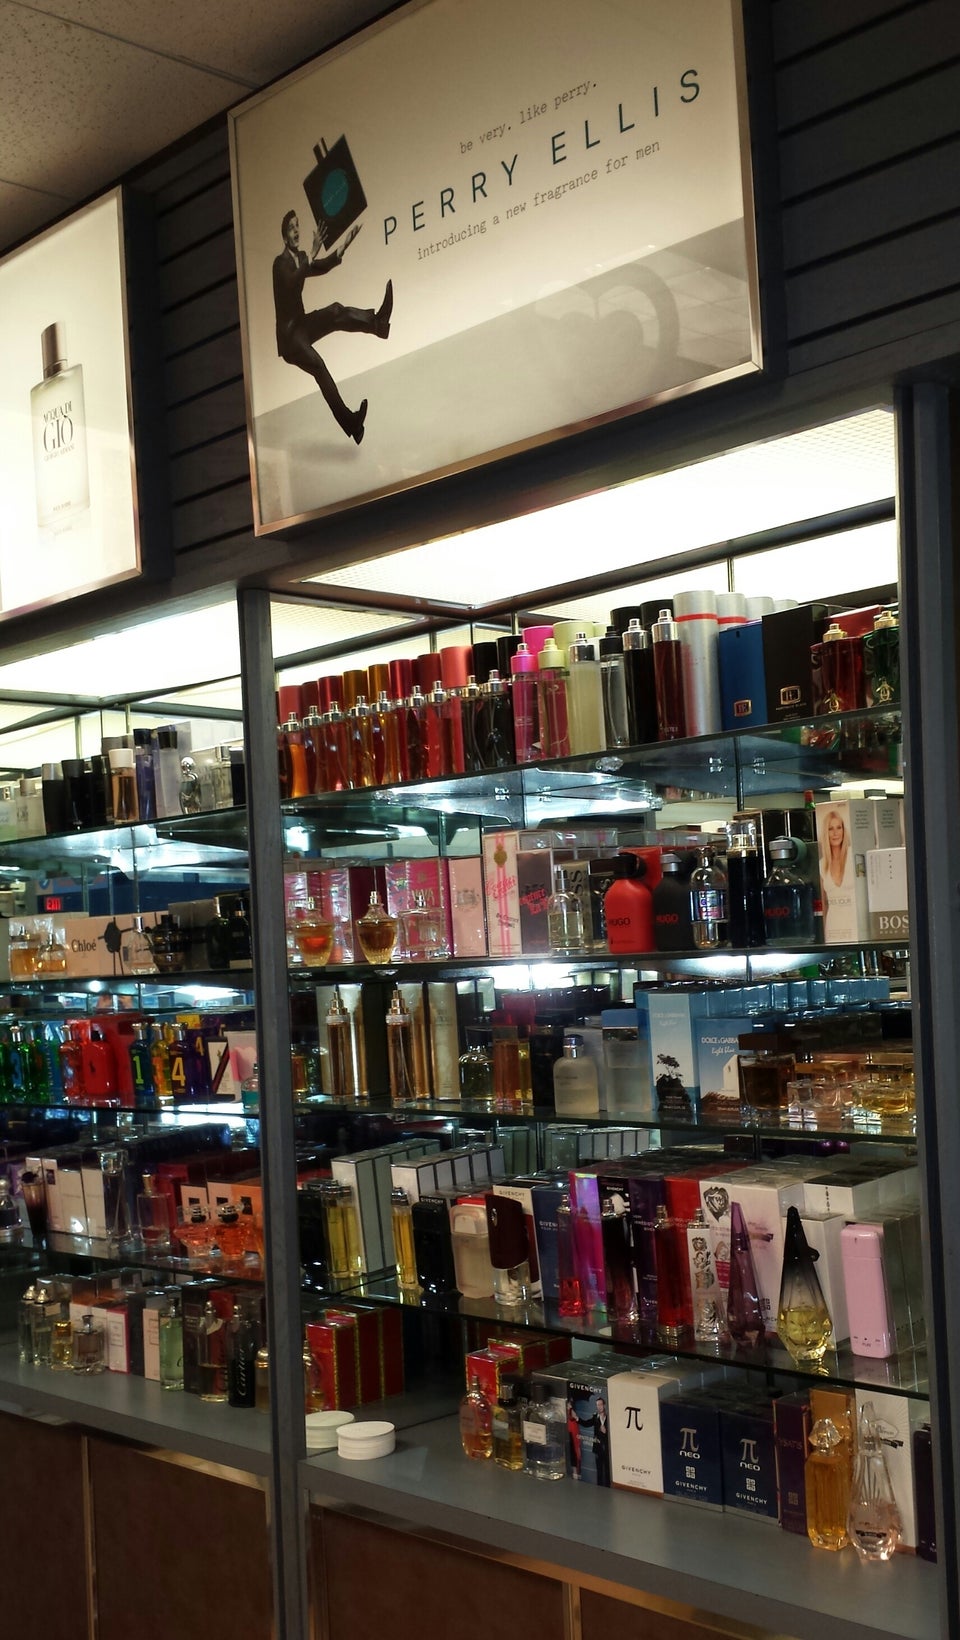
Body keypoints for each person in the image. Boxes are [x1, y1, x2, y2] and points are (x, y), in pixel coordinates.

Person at [272, 210, 393, 444]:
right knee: (319, 367)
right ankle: (352, 423)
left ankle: (378, 324)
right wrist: (312, 253)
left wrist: (344, 246)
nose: (296, 231)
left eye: (297, 226)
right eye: (291, 228)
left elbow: (322, 267)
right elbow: (292, 283)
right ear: (284, 236)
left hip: (301, 326)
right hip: (289, 339)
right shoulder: (280, 264)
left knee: (336, 311)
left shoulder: (301, 257)